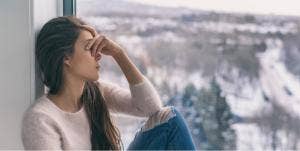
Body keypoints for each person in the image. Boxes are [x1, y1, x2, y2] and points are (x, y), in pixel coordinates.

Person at [21, 16, 196, 150]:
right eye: (90, 47)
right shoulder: (41, 118)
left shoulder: (96, 92)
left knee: (170, 119)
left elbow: (151, 109)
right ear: (66, 57)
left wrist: (119, 54)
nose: (99, 55)